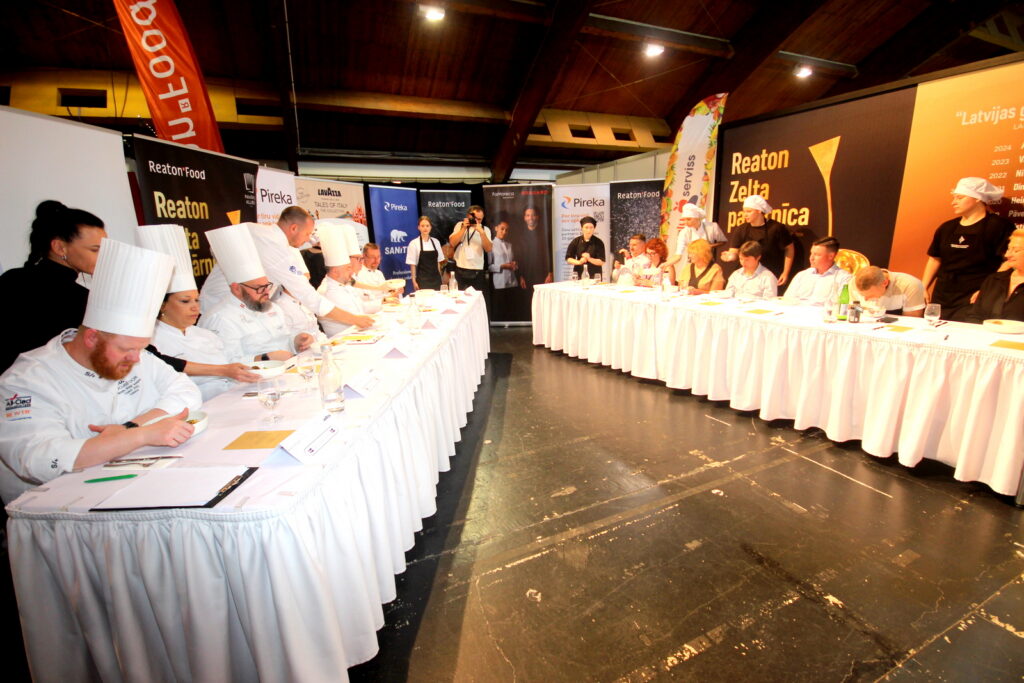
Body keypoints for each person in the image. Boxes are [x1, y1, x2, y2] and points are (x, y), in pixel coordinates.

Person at [0, 239, 202, 504]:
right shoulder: (27, 379)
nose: (135, 358)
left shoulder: (136, 355)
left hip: (128, 480)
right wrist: (142, 435)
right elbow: (39, 459)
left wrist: (131, 427)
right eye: (126, 349)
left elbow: (187, 392)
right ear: (92, 338)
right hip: (58, 503)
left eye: (140, 348)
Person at [138, 224, 261, 400]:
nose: (195, 307)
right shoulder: (151, 342)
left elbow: (232, 365)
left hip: (234, 396)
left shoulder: (205, 334)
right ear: (162, 305)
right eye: (185, 301)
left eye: (196, 300)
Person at [200, 207, 371, 331]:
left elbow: (214, 249)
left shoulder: (253, 228)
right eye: (307, 234)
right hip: (224, 307)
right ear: (294, 228)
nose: (307, 240)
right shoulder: (276, 248)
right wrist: (355, 319)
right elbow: (308, 295)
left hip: (236, 305)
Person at [0, 200, 106, 374]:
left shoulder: (11, 278)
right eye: (95, 250)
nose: (103, 257)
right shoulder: (79, 299)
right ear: (59, 247)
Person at [199, 224, 316, 363]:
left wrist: (297, 340)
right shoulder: (220, 318)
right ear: (236, 289)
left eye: (267, 285)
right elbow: (225, 364)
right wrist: (264, 358)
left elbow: (284, 339)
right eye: (258, 288)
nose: (266, 292)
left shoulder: (272, 308)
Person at [921, 177, 1015, 321]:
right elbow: (935, 259)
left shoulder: (998, 226)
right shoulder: (947, 227)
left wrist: (987, 289)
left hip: (976, 294)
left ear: (977, 198)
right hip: (943, 295)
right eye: (954, 198)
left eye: (959, 197)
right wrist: (923, 287)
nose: (953, 202)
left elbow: (1008, 261)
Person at [316, 222, 375, 337]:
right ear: (335, 271)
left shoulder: (346, 284)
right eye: (348, 268)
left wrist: (382, 303)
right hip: (344, 340)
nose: (351, 271)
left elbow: (361, 308)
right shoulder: (325, 291)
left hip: (361, 334)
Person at [722, 195, 794, 286]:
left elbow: (789, 249)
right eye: (744, 211)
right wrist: (730, 256)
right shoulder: (741, 229)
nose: (745, 215)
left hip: (770, 275)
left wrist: (785, 272)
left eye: (749, 211)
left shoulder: (776, 228)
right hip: (747, 276)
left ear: (759, 210)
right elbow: (734, 252)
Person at [964, 230, 1024, 324]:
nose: (1007, 255)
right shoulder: (994, 280)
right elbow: (974, 315)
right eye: (1008, 249)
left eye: (1016, 250)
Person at [783, 236, 852, 304]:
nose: (811, 258)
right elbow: (787, 299)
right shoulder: (802, 275)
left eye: (817, 255)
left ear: (831, 256)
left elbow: (843, 305)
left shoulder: (843, 278)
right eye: (811, 253)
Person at [663, 203, 726, 274]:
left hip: (709, 264)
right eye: (684, 220)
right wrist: (665, 264)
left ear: (697, 218)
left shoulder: (712, 227)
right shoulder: (684, 232)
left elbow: (723, 242)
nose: (686, 222)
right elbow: (678, 255)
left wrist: (709, 246)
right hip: (693, 265)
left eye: (688, 219)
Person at [851, 266, 926, 317]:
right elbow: (853, 309)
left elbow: (911, 322)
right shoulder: (853, 283)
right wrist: (864, 310)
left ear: (885, 283)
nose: (865, 299)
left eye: (871, 295)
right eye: (862, 295)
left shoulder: (911, 285)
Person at [448, 205, 492, 290]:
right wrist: (464, 228)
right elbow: (452, 243)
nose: (477, 221)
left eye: (480, 219)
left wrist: (482, 233)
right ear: (468, 215)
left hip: (477, 269)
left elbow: (489, 249)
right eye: (475, 218)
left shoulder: (485, 229)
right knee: (459, 295)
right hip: (460, 267)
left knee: (476, 296)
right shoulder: (460, 225)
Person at [488, 219, 519, 315]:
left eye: (506, 230)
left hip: (512, 282)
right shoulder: (490, 245)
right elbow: (489, 266)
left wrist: (514, 264)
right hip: (499, 283)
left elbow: (512, 261)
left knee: (512, 310)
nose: (504, 232)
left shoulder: (509, 245)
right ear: (496, 228)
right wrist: (502, 266)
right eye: (502, 229)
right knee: (501, 311)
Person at [354, 243, 396, 313]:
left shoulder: (379, 273)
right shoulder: (358, 275)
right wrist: (385, 300)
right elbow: (365, 302)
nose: (376, 261)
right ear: (364, 256)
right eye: (373, 257)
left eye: (378, 257)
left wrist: (395, 293)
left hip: (384, 311)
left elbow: (385, 295)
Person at [407, 216, 445, 291]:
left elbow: (438, 262)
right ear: (418, 227)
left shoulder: (436, 242)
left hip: (436, 280)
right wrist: (414, 281)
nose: (425, 228)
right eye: (422, 226)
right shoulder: (414, 243)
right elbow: (413, 265)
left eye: (427, 226)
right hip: (422, 281)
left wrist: (441, 278)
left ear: (431, 227)